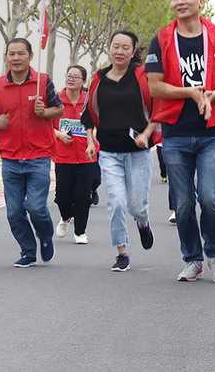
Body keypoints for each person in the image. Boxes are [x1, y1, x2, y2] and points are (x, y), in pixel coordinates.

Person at [146, 0, 215, 284]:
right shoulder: (160, 39)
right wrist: (190, 92)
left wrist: (213, 95)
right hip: (175, 132)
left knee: (210, 197)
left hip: (212, 131)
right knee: (183, 202)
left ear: (200, 0)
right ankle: (192, 259)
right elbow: (155, 87)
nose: (180, 1)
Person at [0, 38, 63, 267]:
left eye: (21, 54)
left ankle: (45, 236)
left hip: (39, 155)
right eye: (11, 54)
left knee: (36, 207)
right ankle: (28, 251)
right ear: (6, 57)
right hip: (11, 158)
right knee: (14, 212)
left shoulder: (43, 82)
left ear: (29, 56)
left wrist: (44, 111)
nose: (16, 58)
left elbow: (59, 109)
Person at [82, 31, 157, 272]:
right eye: (116, 46)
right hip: (109, 152)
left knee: (136, 206)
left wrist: (146, 134)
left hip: (137, 152)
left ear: (134, 51)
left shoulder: (142, 76)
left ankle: (143, 223)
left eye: (126, 47)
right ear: (109, 48)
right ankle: (121, 251)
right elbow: (89, 117)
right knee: (115, 202)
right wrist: (91, 142)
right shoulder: (98, 79)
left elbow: (159, 110)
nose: (119, 51)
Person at [53, 65, 98, 244]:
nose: (71, 79)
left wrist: (92, 139)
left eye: (76, 77)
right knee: (62, 195)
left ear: (83, 81)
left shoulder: (90, 101)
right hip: (63, 156)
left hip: (87, 156)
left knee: (83, 195)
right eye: (69, 75)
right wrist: (58, 134)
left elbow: (97, 123)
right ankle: (65, 217)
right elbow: (46, 125)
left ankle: (80, 232)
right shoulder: (55, 100)